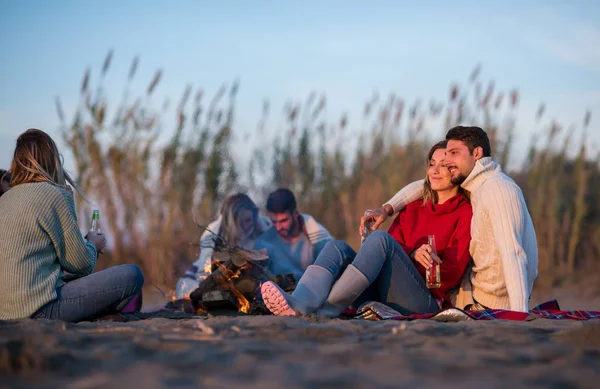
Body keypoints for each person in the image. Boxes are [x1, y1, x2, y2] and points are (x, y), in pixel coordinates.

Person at [261, 141, 472, 317]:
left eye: (443, 165)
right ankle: (298, 304)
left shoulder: (464, 212)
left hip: (423, 301)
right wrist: (412, 253)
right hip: (383, 294)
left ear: (454, 170)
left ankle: (326, 310)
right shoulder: (414, 207)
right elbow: (392, 249)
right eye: (431, 164)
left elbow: (452, 275)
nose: (433, 171)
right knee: (337, 247)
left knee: (381, 239)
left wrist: (422, 261)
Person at [360, 126, 538, 312]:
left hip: (484, 305)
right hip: (471, 296)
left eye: (454, 154)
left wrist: (519, 314)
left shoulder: (496, 189)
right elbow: (426, 184)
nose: (448, 162)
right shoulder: (478, 186)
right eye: (438, 162)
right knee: (341, 251)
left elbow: (513, 255)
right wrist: (387, 209)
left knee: (379, 245)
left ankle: (336, 305)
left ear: (477, 153)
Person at [0, 129, 144, 322]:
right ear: (52, 159)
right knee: (132, 275)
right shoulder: (55, 194)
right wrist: (93, 244)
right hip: (40, 310)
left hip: (6, 312)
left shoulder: (5, 198)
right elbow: (81, 264)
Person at [175, 193, 272, 299]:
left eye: (248, 220)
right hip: (201, 277)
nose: (246, 227)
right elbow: (206, 270)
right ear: (231, 223)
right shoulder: (212, 234)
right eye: (240, 223)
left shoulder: (264, 228)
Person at [254, 188, 333, 282]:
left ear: (295, 213)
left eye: (283, 221)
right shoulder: (263, 241)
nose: (278, 227)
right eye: (274, 222)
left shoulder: (318, 239)